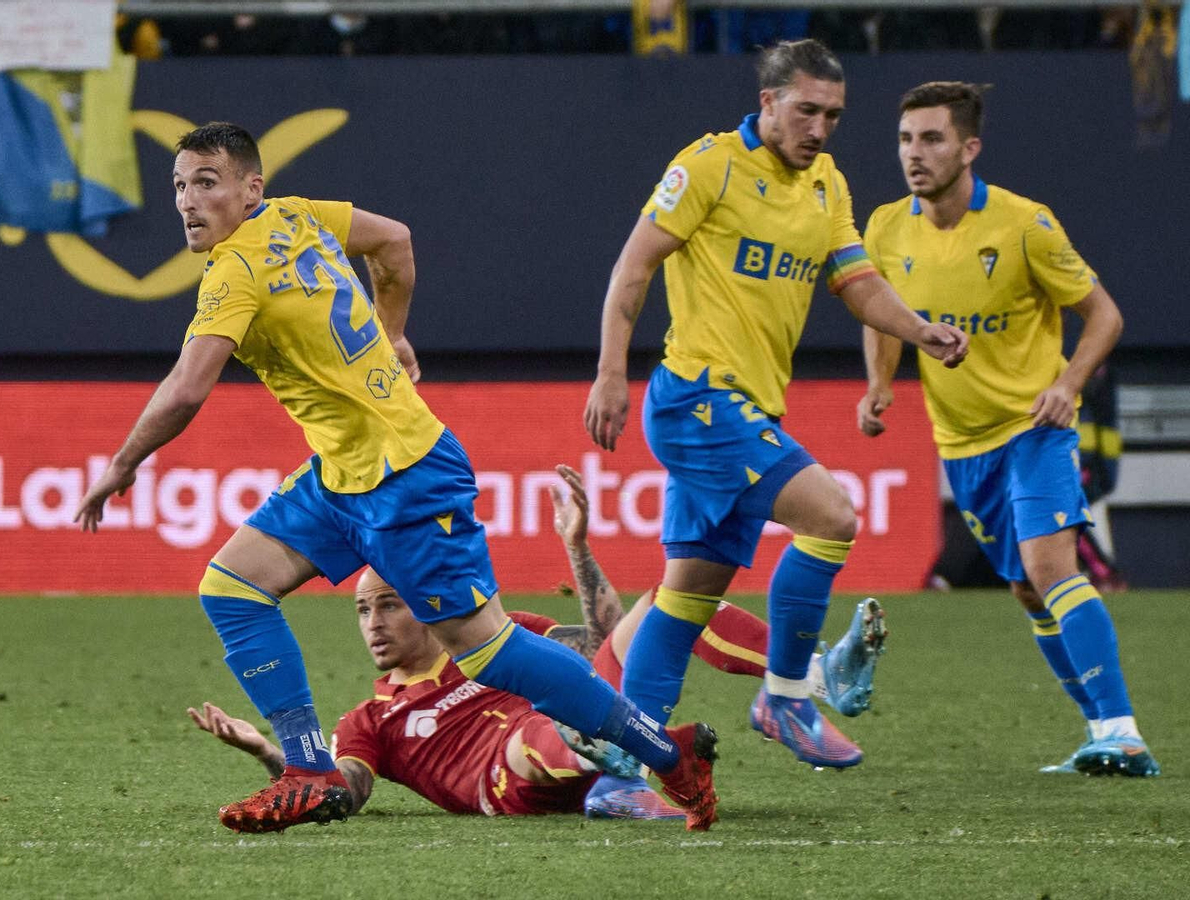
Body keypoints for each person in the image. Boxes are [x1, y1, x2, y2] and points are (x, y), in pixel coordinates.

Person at [76, 123, 718, 834]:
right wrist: (390, 331)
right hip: (343, 473)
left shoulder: (234, 271)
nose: (188, 201)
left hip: (405, 474)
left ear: (251, 187)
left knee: (489, 651)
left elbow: (188, 388)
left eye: (206, 181)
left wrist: (122, 464)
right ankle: (311, 768)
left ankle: (668, 753)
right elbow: (395, 241)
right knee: (231, 586)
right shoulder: (299, 216)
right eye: (178, 185)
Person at [583, 38, 968, 771]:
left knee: (688, 593)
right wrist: (609, 372)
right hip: (699, 397)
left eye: (833, 115)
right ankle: (785, 695)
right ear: (768, 102)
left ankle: (625, 771)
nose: (819, 129)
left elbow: (857, 281)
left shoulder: (827, 184)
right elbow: (634, 264)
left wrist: (918, 330)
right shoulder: (708, 165)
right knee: (832, 517)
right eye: (805, 111)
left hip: (751, 408)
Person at [190, 465, 888, 819]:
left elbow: (607, 635)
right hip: (510, 776)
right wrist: (269, 752)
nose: (373, 624)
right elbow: (348, 790)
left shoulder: (504, 637)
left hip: (564, 724)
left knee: (665, 606)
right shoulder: (368, 721)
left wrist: (576, 547)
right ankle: (607, 748)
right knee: (537, 735)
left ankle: (813, 676)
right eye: (362, 612)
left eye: (389, 605)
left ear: (428, 605)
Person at [856, 81, 1158, 777]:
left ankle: (1124, 731)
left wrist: (1066, 383)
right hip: (964, 446)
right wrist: (879, 383)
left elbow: (1105, 315)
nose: (914, 154)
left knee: (1051, 570)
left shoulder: (1026, 226)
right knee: (1026, 589)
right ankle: (1098, 732)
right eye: (905, 139)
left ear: (970, 148)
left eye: (931, 139)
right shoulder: (884, 228)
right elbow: (880, 311)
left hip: (1034, 428)